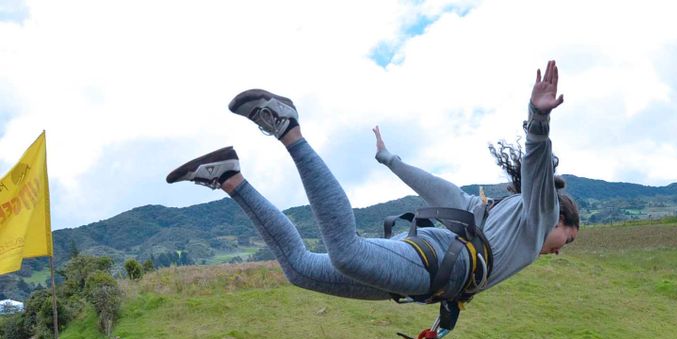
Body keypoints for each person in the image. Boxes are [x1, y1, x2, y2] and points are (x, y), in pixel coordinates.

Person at [166, 60, 579, 306]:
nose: (561, 249)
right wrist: (538, 119)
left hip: (426, 276)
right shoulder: (538, 218)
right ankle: (288, 128)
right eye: (569, 237)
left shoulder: (490, 212)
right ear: (558, 217)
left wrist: (390, 160)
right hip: (434, 264)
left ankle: (229, 177)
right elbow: (537, 171)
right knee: (346, 253)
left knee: (301, 270)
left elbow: (440, 191)